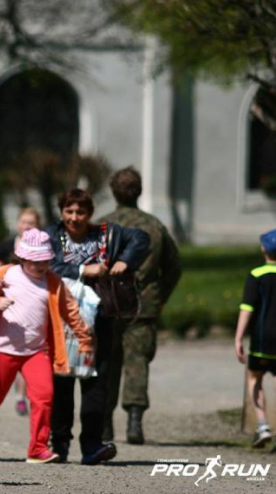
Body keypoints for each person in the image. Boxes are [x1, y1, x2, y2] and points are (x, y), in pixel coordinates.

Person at [0, 229, 93, 464]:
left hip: (36, 351)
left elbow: (70, 311)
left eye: (45, 261)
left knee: (44, 396)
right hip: (3, 348)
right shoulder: (5, 274)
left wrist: (84, 339)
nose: (41, 266)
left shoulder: (53, 282)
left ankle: (38, 448)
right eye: (35, 261)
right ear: (22, 258)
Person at [45, 188, 148, 465]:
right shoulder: (52, 236)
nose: (74, 217)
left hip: (99, 321)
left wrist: (125, 260)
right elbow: (42, 264)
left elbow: (141, 238)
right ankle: (60, 443)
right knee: (61, 382)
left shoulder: (106, 234)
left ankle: (91, 445)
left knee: (96, 381)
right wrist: (82, 270)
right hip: (61, 320)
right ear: (62, 212)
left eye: (80, 212)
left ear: (90, 214)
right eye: (69, 211)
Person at [99, 167, 181, 444]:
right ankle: (134, 422)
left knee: (107, 362)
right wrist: (159, 297)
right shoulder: (154, 226)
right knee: (137, 363)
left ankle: (105, 424)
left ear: (113, 192)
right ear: (140, 191)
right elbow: (173, 268)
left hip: (108, 304)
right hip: (142, 304)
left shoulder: (102, 225)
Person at [234, 228, 276, 455]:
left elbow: (247, 308)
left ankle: (262, 425)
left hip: (263, 339)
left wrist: (238, 337)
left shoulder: (256, 275)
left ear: (264, 249)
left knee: (255, 378)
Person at [0, 206, 42, 417]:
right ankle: (13, 392)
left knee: (27, 350)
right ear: (18, 224)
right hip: (8, 304)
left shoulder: (42, 248)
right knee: (11, 352)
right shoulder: (7, 246)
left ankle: (22, 396)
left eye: (31, 223)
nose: (27, 226)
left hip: (30, 306)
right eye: (24, 222)